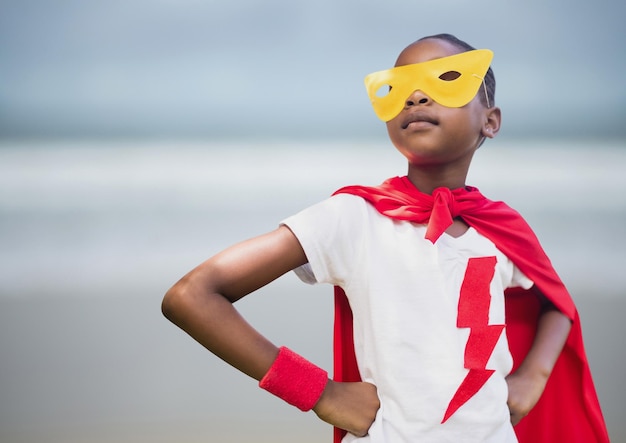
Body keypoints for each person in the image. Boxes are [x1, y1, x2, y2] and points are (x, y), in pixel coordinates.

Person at [162, 33, 609, 442]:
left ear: (490, 121)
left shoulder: (499, 227)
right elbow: (192, 296)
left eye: (446, 80)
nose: (415, 96)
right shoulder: (353, 219)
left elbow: (557, 303)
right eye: (398, 88)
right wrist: (320, 392)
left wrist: (534, 375)